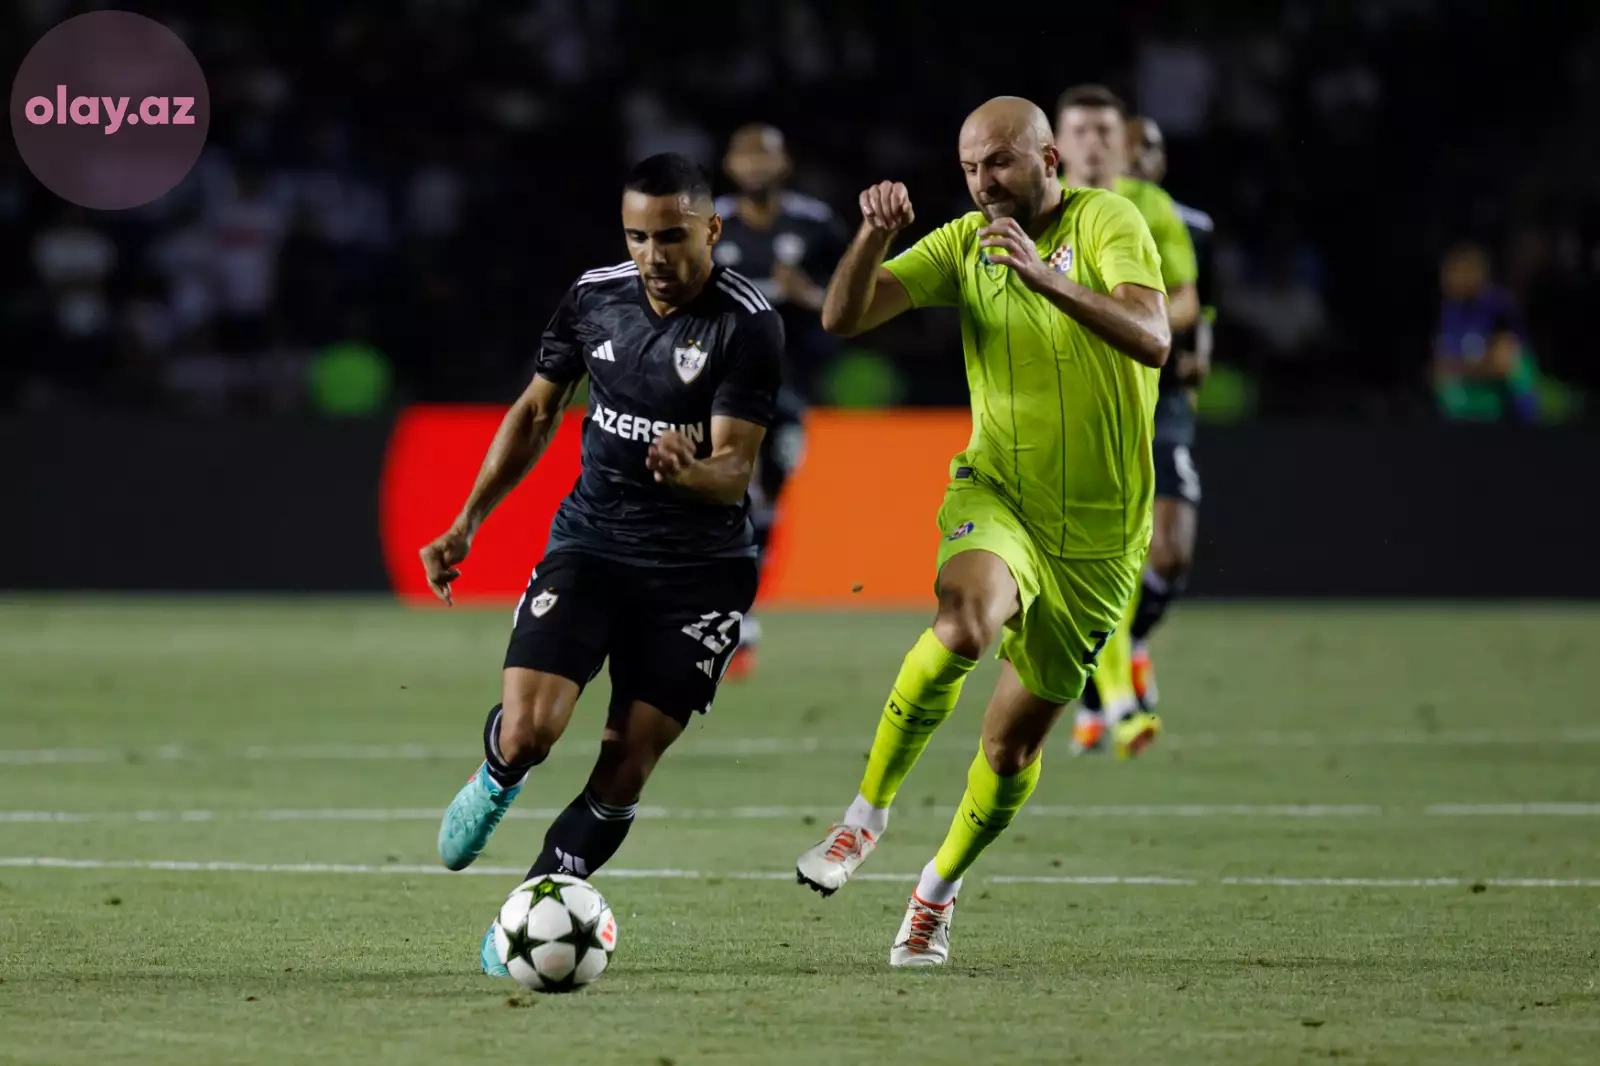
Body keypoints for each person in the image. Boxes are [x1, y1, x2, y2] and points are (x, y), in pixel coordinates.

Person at [793, 97, 1169, 966]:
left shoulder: (1106, 221)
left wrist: (1044, 278)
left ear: (1048, 159)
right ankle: (862, 819)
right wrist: (872, 236)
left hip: (1103, 536)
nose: (983, 183)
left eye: (998, 162)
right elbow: (843, 317)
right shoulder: (965, 243)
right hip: (998, 492)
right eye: (969, 167)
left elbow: (1153, 338)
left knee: (1010, 746)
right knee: (963, 624)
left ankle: (937, 889)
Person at [419, 153, 782, 976]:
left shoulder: (747, 323)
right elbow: (536, 411)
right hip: (592, 544)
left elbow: (736, 471)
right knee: (531, 730)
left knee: (625, 767)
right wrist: (467, 521)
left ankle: (527, 913)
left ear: (712, 229)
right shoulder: (594, 298)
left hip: (698, 574)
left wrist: (691, 472)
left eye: (672, 237)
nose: (654, 256)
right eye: (637, 237)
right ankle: (499, 771)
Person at [1054, 86, 1199, 757]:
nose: (1094, 142)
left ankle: (1122, 657)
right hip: (1076, 404)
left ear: (1122, 141)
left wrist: (1130, 317)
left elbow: (1186, 302)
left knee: (1168, 551)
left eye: (1105, 131)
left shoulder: (1151, 208)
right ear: (1057, 141)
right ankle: (1113, 703)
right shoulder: (1041, 207)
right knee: (1097, 557)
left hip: (1152, 396)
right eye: (1081, 130)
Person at [713, 123, 849, 676]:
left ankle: (740, 602)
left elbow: (858, 293)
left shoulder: (815, 225)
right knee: (730, 488)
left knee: (770, 495)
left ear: (784, 164)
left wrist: (809, 295)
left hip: (791, 387)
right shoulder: (710, 224)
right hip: (721, 383)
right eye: (746, 157)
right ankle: (724, 611)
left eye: (765, 156)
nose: (756, 166)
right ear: (730, 165)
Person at [1094, 114, 1217, 721]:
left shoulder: (1190, 225)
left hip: (1163, 398)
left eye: (1154, 146)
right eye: (1132, 144)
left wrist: (1199, 355)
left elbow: (1204, 305)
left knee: (1170, 553)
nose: (1143, 154)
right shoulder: (1084, 211)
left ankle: (1134, 641)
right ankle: (1099, 689)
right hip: (1101, 397)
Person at [1433, 242, 1538, 423]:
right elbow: (1440, 366)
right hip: (1460, 419)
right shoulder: (1449, 310)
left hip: (1505, 420)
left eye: (1457, 272)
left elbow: (1501, 366)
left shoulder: (1498, 308)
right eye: (1446, 273)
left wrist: (1457, 369)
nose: (1448, 280)